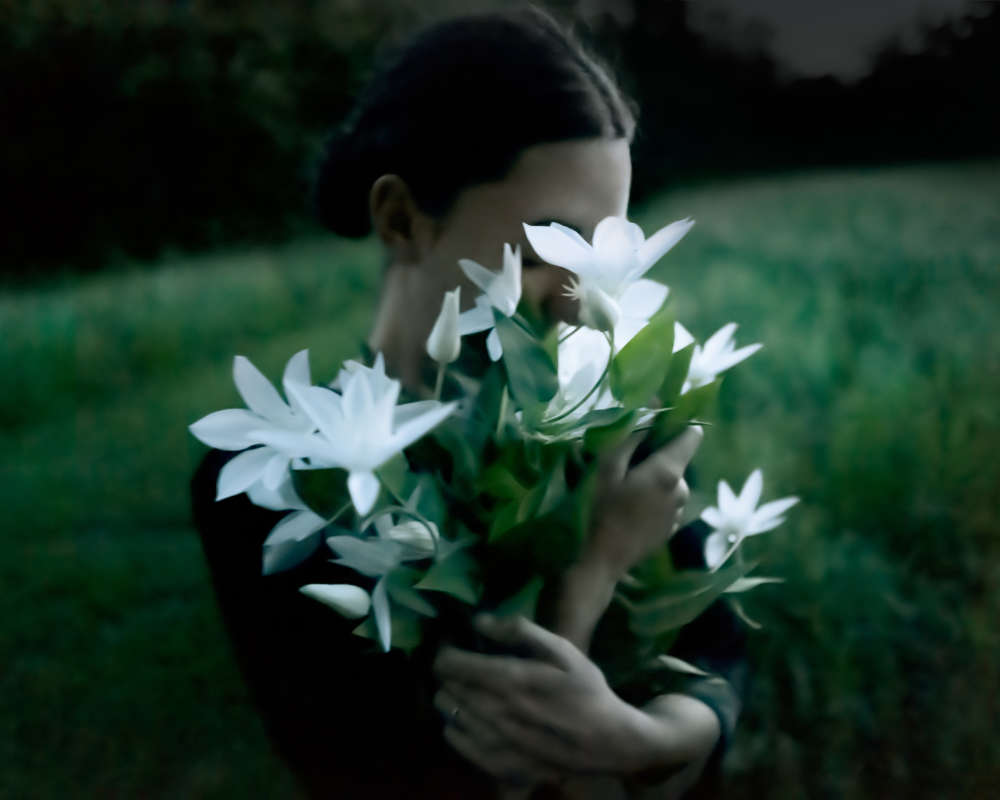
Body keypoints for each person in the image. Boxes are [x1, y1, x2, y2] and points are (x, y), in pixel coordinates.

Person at [191, 7, 744, 799]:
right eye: (549, 242)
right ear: (400, 218)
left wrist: (652, 739)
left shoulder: (610, 416)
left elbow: (717, 651)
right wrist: (588, 577)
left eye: (602, 244)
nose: (579, 299)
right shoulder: (268, 488)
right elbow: (379, 771)